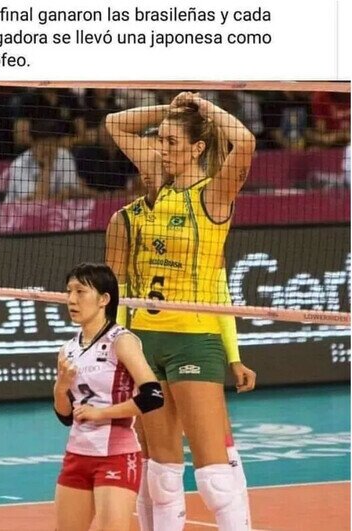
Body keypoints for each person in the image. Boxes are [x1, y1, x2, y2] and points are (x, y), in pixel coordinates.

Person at [105, 92, 256, 531]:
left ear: (197, 148)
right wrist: (169, 112)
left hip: (193, 339)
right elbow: (115, 124)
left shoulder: (215, 194)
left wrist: (204, 109)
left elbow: (245, 143)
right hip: (144, 343)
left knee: (214, 476)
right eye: (159, 140)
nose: (161, 148)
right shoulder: (152, 189)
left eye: (171, 141)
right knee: (160, 474)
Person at [54, 262, 164, 531]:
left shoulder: (121, 341)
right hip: (77, 454)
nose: (71, 299)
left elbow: (153, 395)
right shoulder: (67, 349)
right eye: (69, 291)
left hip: (116, 455)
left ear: (104, 299)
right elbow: (66, 416)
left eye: (80, 292)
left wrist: (101, 413)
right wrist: (60, 387)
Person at [3, 119, 96, 202]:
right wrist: (47, 167)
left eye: (52, 144)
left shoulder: (64, 156)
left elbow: (68, 193)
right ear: (33, 144)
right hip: (17, 213)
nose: (48, 149)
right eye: (43, 144)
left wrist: (64, 194)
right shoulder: (19, 164)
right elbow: (37, 201)